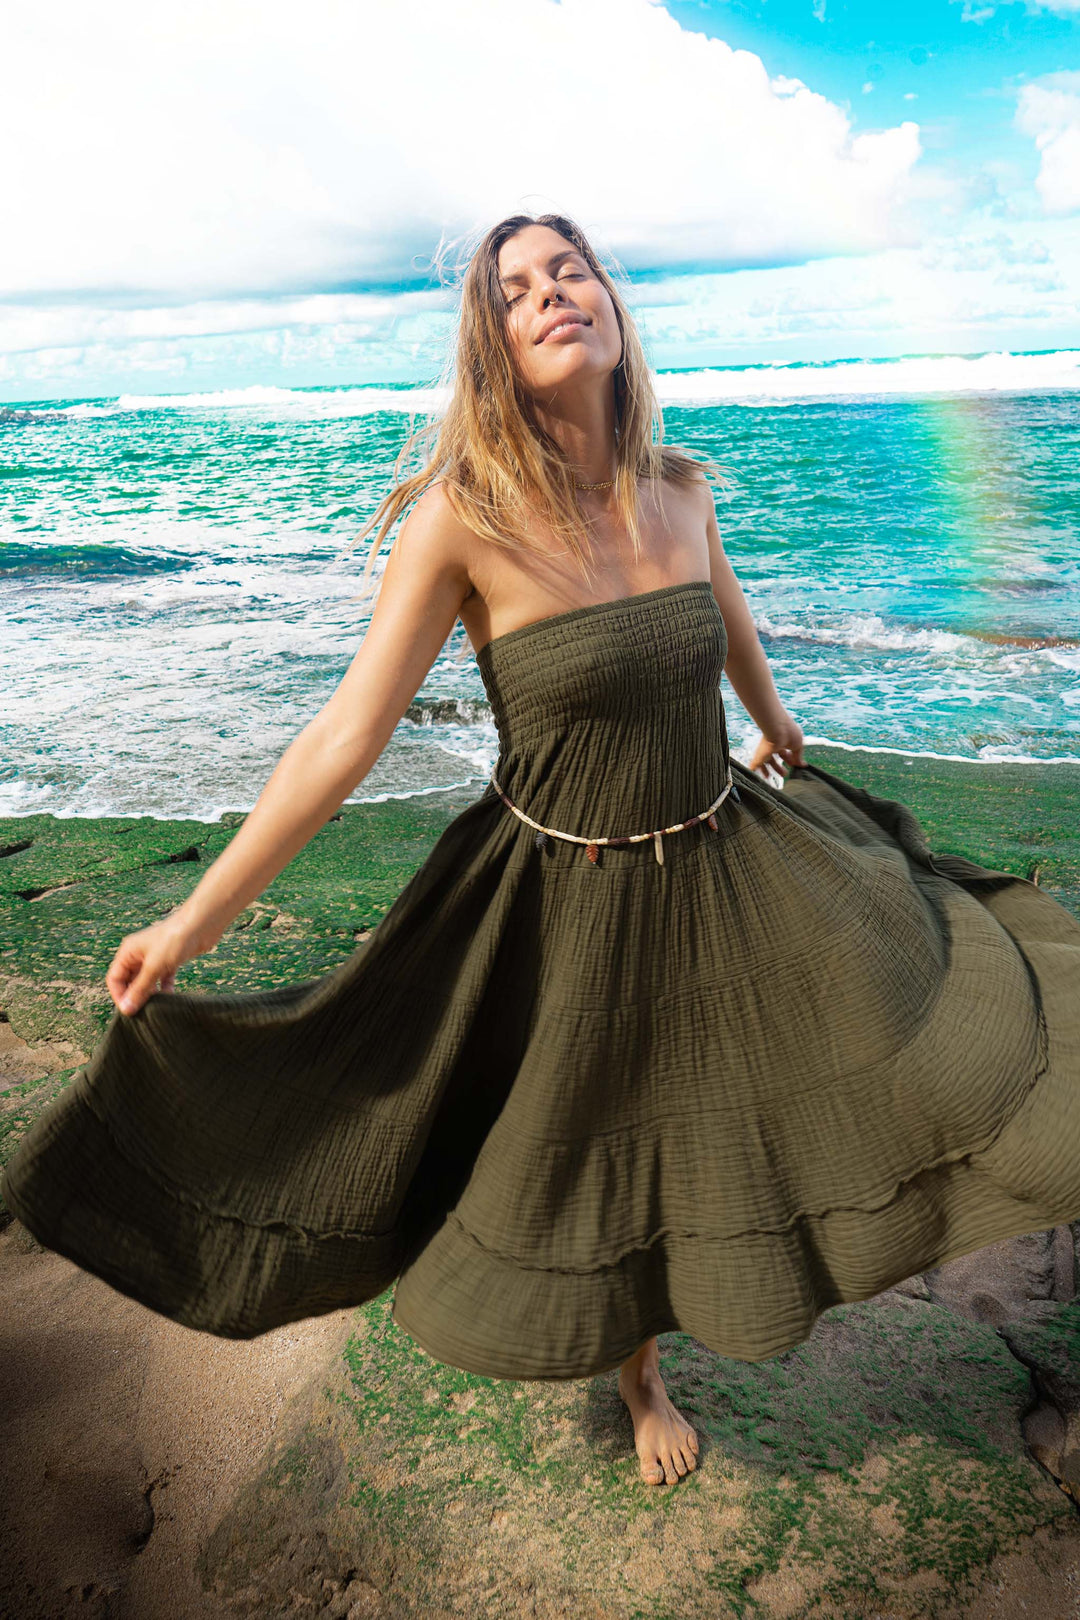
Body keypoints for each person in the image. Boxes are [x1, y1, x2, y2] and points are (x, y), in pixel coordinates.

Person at [5, 213, 1080, 1494]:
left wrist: (779, 723)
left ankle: (728, 1303)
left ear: (613, 309)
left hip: (722, 848)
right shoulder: (464, 521)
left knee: (850, 1049)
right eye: (516, 292)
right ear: (498, 349)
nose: (551, 295)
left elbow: (726, 616)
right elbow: (345, 738)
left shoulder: (679, 490)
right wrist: (193, 924)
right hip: (566, 889)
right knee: (604, 1139)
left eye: (569, 271)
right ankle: (638, 1378)